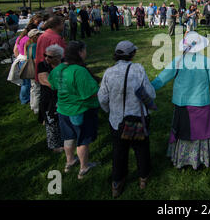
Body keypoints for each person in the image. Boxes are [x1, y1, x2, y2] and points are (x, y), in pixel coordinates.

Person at [151, 32, 210, 170]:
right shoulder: (207, 61)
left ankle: (182, 159)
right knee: (201, 132)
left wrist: (145, 90)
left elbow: (161, 79)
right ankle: (201, 159)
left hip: (182, 103)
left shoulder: (177, 61)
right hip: (201, 103)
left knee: (183, 131)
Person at [98, 41, 155, 197]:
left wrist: (111, 111)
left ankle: (116, 183)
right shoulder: (138, 70)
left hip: (117, 121)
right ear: (132, 54)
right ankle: (143, 177)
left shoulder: (109, 72)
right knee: (141, 148)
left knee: (119, 152)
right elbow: (150, 94)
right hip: (137, 117)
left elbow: (102, 97)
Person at [48, 41, 100, 179]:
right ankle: (84, 167)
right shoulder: (79, 71)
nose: (86, 53)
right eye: (84, 50)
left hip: (63, 109)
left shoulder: (57, 69)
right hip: (79, 110)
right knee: (82, 139)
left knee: (69, 137)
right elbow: (92, 92)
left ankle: (69, 161)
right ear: (80, 53)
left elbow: (53, 85)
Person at [37, 44, 64, 153]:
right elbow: (45, 80)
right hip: (49, 98)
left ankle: (66, 141)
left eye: (50, 57)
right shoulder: (42, 65)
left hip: (62, 97)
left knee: (62, 120)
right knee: (51, 120)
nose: (46, 58)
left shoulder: (64, 63)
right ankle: (55, 146)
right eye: (45, 55)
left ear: (58, 57)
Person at [34, 16, 67, 84]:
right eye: (62, 24)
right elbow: (61, 58)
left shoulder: (42, 36)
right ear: (56, 26)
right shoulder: (56, 38)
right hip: (53, 72)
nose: (63, 25)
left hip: (42, 69)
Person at [25, 29, 44, 115]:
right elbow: (36, 60)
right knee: (37, 89)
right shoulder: (35, 46)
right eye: (39, 35)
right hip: (36, 70)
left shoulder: (29, 46)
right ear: (34, 37)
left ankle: (33, 105)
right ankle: (37, 109)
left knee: (33, 88)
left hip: (31, 69)